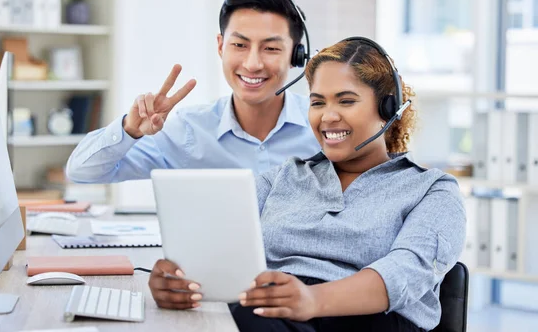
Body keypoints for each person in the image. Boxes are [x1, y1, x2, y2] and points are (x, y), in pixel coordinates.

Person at [146, 37, 466, 332]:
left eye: (346, 101)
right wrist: (182, 280)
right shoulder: (283, 176)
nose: (327, 117)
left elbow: (406, 273)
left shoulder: (432, 190)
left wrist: (311, 300)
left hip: (371, 320)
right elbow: (218, 246)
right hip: (275, 314)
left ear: (387, 109)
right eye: (317, 103)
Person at [65, 0, 320, 183]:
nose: (253, 64)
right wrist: (129, 129)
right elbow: (82, 172)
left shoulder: (322, 128)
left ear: (296, 56)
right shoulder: (188, 133)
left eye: (271, 48)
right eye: (239, 45)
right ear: (221, 47)